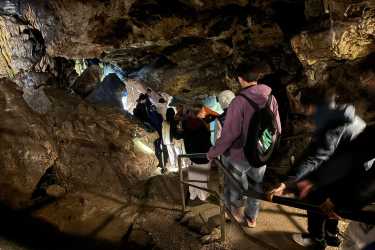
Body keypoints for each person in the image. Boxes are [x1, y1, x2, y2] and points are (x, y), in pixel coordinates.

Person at [268, 86, 367, 248]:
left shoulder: (333, 124)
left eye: (307, 109)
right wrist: (289, 180)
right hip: (353, 168)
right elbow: (313, 150)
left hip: (355, 173)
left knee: (313, 195)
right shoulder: (340, 112)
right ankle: (331, 234)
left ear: (314, 107)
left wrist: (289, 184)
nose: (307, 114)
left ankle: (316, 238)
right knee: (330, 197)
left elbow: (315, 157)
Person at [207, 63, 281, 228]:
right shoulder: (271, 97)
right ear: (257, 77)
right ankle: (252, 217)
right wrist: (267, 148)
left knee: (234, 185)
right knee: (256, 185)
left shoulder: (238, 102)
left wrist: (213, 152)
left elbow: (229, 135)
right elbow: (277, 128)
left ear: (240, 79)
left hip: (239, 155)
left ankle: (235, 212)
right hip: (260, 151)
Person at [183, 108, 212, 201]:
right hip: (204, 156)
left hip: (193, 156)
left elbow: (186, 141)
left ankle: (192, 195)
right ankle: (202, 196)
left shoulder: (187, 125)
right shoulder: (203, 126)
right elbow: (207, 139)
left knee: (193, 175)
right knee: (202, 177)